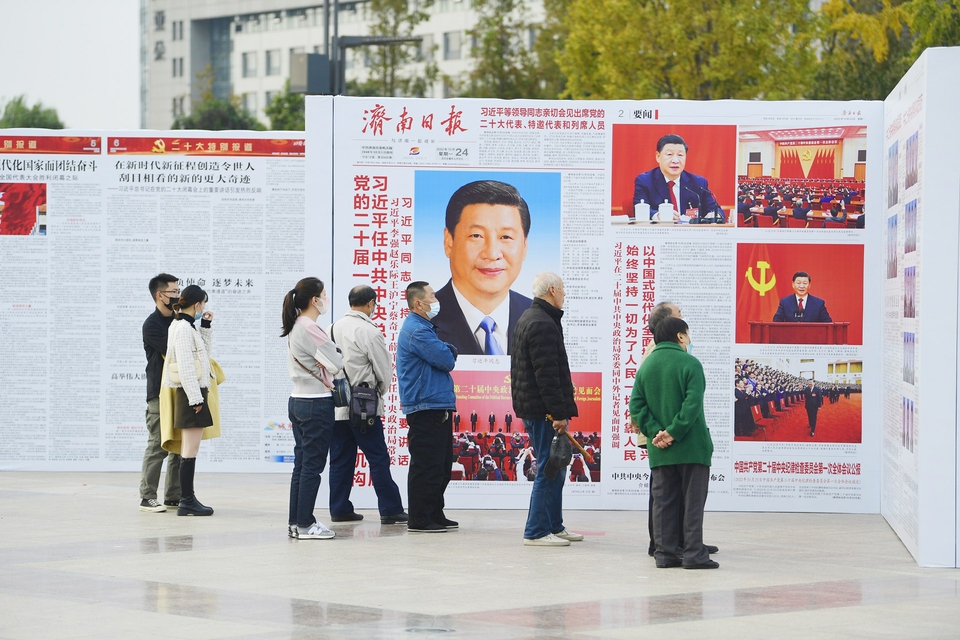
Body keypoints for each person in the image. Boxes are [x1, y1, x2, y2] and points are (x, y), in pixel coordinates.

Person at [629, 316, 717, 569]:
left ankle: (665, 554)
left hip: (659, 449)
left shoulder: (646, 366)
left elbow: (636, 405)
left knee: (663, 501)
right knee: (692, 502)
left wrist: (657, 431)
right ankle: (693, 555)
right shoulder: (690, 363)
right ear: (680, 336)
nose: (689, 339)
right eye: (687, 335)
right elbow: (692, 405)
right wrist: (674, 431)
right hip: (691, 446)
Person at [511, 271, 583, 547]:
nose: (564, 293)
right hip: (544, 411)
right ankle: (536, 531)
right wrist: (558, 414)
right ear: (552, 289)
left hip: (539, 409)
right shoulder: (541, 322)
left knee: (557, 465)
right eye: (562, 288)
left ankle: (554, 525)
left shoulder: (535, 318)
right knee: (549, 468)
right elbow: (547, 375)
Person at [327, 285, 407, 525]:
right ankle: (390, 509)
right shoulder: (369, 331)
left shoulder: (332, 328)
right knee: (377, 457)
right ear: (371, 303)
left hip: (338, 404)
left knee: (341, 459)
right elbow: (383, 370)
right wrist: (376, 394)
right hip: (364, 405)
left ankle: (339, 508)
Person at [432, 180, 532, 355]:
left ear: (524, 246)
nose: (492, 253)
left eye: (506, 237)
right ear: (449, 242)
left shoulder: (541, 319)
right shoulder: (423, 321)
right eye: (476, 235)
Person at [281, 277, 344, 540]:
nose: (326, 298)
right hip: (316, 403)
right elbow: (336, 362)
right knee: (312, 466)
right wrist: (335, 354)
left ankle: (296, 522)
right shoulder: (311, 327)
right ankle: (306, 524)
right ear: (314, 300)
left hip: (298, 400)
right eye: (324, 294)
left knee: (302, 464)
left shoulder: (296, 325)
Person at [397, 281, 459, 533]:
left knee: (441, 465)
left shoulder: (425, 328)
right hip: (425, 406)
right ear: (418, 303)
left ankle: (435, 512)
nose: (436, 299)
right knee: (426, 465)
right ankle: (420, 518)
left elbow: (445, 353)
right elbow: (446, 358)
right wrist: (448, 350)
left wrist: (447, 349)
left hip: (436, 404)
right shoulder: (417, 331)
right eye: (432, 296)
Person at [164, 284, 215, 517]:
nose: (203, 307)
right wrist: (196, 399)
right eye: (203, 303)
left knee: (188, 450)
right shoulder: (183, 328)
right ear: (197, 304)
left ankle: (187, 500)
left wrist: (205, 326)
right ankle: (187, 500)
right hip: (191, 394)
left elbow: (202, 354)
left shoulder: (182, 326)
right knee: (190, 450)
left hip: (190, 393)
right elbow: (186, 365)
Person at [139, 273, 182, 512]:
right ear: (160, 295)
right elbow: (175, 351)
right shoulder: (152, 325)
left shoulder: (180, 321)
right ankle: (147, 496)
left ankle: (174, 495)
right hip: (159, 392)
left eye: (178, 291)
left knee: (179, 445)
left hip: (180, 391)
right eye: (174, 292)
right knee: (158, 444)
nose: (178, 295)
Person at [630, 134, 721, 223]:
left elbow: (716, 210)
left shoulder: (699, 183)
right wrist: (658, 215)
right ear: (658, 157)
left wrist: (714, 215)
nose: (675, 160)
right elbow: (639, 209)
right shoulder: (645, 181)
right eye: (669, 154)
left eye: (680, 155)